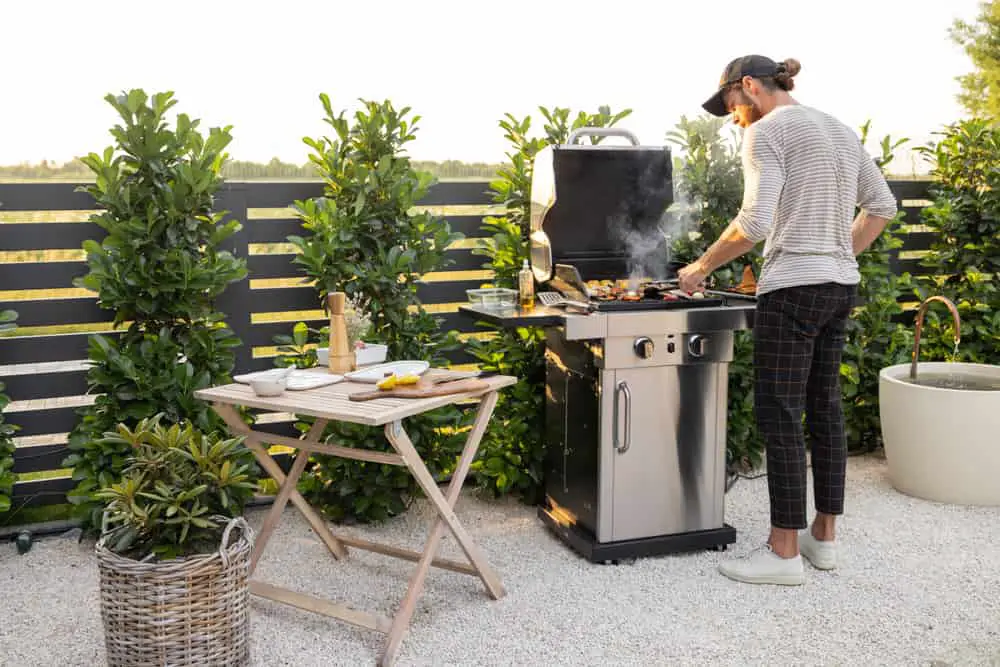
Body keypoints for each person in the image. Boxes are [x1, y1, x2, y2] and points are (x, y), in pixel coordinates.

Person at [677, 55, 898, 585]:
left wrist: (700, 267)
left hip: (792, 290)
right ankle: (823, 540)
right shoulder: (840, 130)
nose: (733, 118)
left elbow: (754, 221)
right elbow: (883, 204)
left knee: (780, 412)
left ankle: (781, 553)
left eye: (731, 105)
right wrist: (834, 253)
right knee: (825, 408)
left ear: (749, 87)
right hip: (839, 286)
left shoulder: (768, 131)